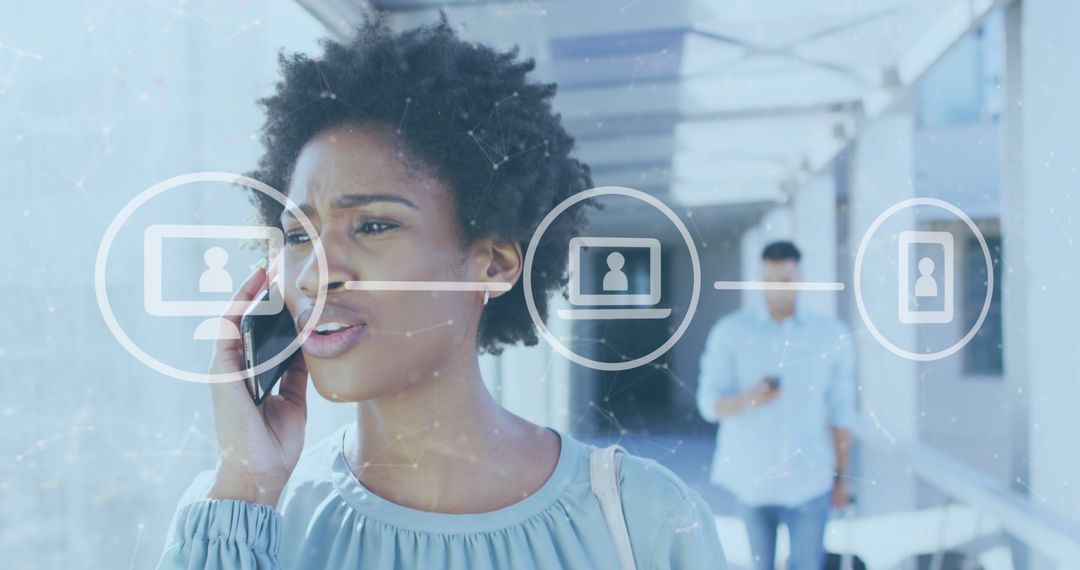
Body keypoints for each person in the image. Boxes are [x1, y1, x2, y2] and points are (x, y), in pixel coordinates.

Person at [156, 19, 725, 570]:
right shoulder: (246, 516)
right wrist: (248, 490)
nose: (313, 274)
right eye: (299, 235)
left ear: (494, 264)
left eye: (374, 225)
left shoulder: (644, 520)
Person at [696, 241, 856, 570]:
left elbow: (841, 412)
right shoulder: (731, 332)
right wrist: (748, 399)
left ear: (801, 278)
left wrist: (842, 478)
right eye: (770, 281)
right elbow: (708, 404)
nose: (778, 289)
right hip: (753, 480)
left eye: (786, 280)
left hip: (810, 479)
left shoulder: (830, 335)